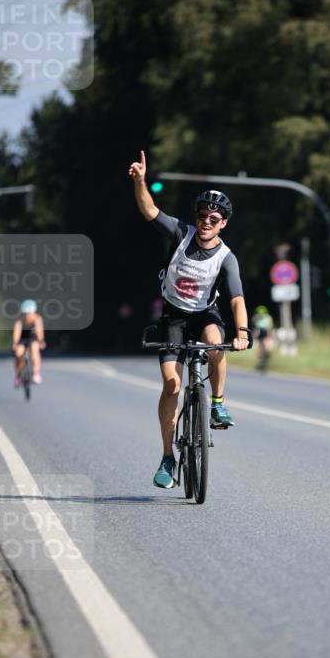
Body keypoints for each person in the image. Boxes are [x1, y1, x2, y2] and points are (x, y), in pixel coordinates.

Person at [128, 149, 250, 490]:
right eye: (202, 215)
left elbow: (237, 299)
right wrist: (140, 181)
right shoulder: (181, 233)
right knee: (172, 385)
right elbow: (150, 210)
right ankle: (168, 456)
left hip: (204, 314)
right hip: (174, 316)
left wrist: (241, 331)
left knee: (216, 342)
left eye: (214, 217)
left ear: (224, 223)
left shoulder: (227, 258)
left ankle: (218, 403)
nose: (206, 221)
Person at [13, 300, 46, 386]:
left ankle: (36, 373)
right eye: (26, 313)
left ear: (34, 312)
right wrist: (15, 343)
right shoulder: (19, 319)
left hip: (33, 337)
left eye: (30, 313)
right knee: (18, 354)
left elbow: (39, 331)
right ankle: (18, 376)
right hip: (22, 338)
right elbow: (17, 331)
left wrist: (41, 341)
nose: (28, 315)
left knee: (35, 350)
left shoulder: (37, 318)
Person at [252, 305, 275, 371]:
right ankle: (260, 359)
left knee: (267, 347)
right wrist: (254, 337)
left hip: (266, 333)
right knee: (258, 348)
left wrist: (269, 336)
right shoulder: (255, 318)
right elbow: (255, 328)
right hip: (259, 333)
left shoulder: (268, 318)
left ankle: (267, 357)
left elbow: (270, 328)